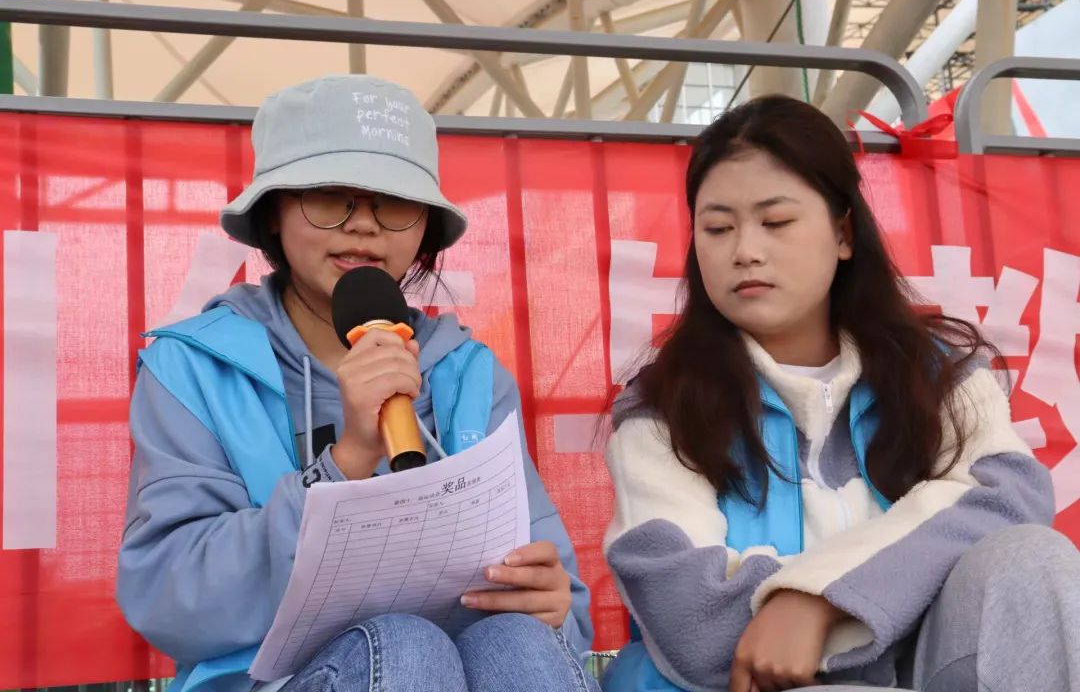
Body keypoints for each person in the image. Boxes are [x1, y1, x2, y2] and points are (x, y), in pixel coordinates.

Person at [118, 75, 596, 692]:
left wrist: (550, 602)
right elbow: (167, 596)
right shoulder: (192, 367)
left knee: (518, 641)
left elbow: (564, 603)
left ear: (425, 226)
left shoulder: (469, 371)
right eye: (330, 198)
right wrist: (343, 465)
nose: (363, 226)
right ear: (273, 213)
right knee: (405, 646)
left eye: (393, 204)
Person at [600, 95, 1080, 692]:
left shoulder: (937, 374)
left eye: (776, 222)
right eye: (717, 228)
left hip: (926, 674)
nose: (745, 251)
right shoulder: (661, 411)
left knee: (1033, 559)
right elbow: (697, 627)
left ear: (843, 233)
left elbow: (1009, 495)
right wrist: (892, 584)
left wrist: (816, 601)